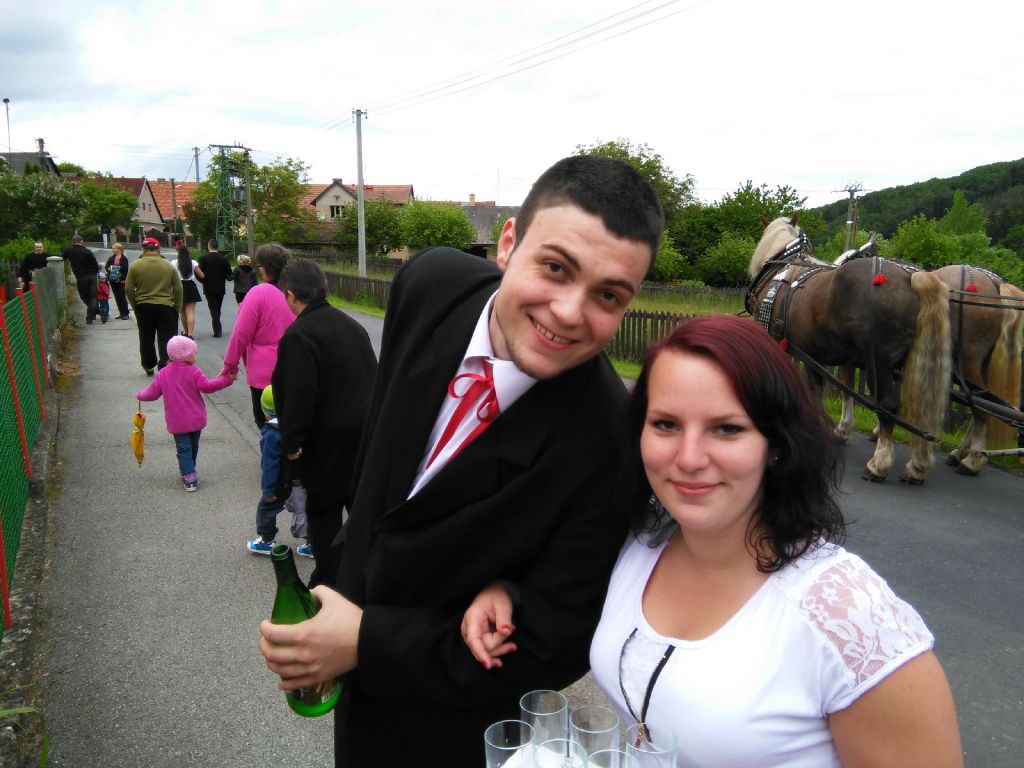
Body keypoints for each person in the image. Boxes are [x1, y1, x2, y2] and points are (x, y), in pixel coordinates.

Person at [257, 155, 665, 766]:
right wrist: (343, 577)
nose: (569, 311)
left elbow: (554, 643)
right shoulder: (430, 283)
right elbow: (386, 446)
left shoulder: (609, 441)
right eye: (555, 267)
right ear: (508, 243)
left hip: (454, 730)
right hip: (351, 685)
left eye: (608, 295)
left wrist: (367, 641)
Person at [464, 315, 964, 768]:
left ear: (776, 444)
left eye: (726, 429)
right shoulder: (641, 541)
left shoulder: (850, 618)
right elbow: (566, 574)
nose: (688, 458)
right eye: (666, 424)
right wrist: (509, 590)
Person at [269, 257, 378, 588]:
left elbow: (299, 395)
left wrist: (292, 444)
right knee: (362, 515)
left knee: (323, 515)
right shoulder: (351, 326)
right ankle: (367, 576)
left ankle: (332, 583)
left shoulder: (299, 335)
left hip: (326, 443)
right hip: (365, 437)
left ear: (290, 295)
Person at [135, 335, 233, 491]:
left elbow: (152, 393)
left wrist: (140, 395)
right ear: (186, 356)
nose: (196, 355)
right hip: (196, 419)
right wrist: (226, 380)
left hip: (177, 421)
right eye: (194, 353)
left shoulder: (163, 374)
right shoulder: (194, 372)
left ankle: (188, 470)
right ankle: (189, 473)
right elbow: (208, 386)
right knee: (192, 447)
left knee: (184, 448)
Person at [221, 243, 294, 430]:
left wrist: (230, 364)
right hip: (294, 369)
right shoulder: (296, 294)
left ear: (267, 268)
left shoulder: (259, 293)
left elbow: (241, 333)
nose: (259, 270)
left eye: (260, 266)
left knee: (267, 423)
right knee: (291, 422)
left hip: (264, 373)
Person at [246, 385, 313, 557]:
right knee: (306, 510)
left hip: (282, 482)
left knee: (266, 509)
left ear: (265, 411)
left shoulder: (271, 435)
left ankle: (266, 540)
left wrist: (268, 490)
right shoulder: (300, 425)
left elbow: (270, 466)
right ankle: (313, 544)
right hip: (304, 478)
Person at [125, 237, 182, 375]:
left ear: (143, 249)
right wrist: (177, 308)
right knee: (167, 339)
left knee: (146, 337)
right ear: (158, 249)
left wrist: (135, 305)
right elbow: (178, 289)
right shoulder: (169, 266)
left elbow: (128, 289)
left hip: (144, 306)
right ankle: (165, 367)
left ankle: (148, 365)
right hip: (166, 306)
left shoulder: (135, 266)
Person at [61, 234, 102, 324]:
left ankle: (94, 313)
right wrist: (97, 269)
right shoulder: (87, 251)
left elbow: (61, 257)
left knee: (84, 296)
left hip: (81, 277)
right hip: (92, 276)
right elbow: (94, 264)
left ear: (72, 242)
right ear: (82, 241)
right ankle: (94, 313)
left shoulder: (69, 250)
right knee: (93, 296)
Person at [197, 239, 234, 337]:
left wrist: (202, 280)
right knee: (217, 308)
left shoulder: (203, 259)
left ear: (209, 246)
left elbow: (198, 272)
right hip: (220, 287)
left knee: (213, 308)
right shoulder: (223, 259)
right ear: (217, 246)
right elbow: (229, 274)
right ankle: (217, 327)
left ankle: (217, 330)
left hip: (208, 287)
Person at [176, 245, 204, 338]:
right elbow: (202, 275)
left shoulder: (174, 262)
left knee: (182, 312)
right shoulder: (193, 262)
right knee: (190, 311)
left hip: (179, 286)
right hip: (190, 286)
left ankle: (186, 331)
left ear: (178, 253)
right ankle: (190, 334)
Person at [104, 242, 131, 319]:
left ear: (119, 249)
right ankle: (121, 313)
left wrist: (117, 271)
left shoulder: (124, 259)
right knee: (117, 297)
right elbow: (106, 267)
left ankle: (125, 314)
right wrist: (111, 270)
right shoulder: (111, 258)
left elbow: (125, 269)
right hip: (113, 280)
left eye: (114, 248)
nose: (112, 249)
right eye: (112, 248)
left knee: (122, 297)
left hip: (121, 281)